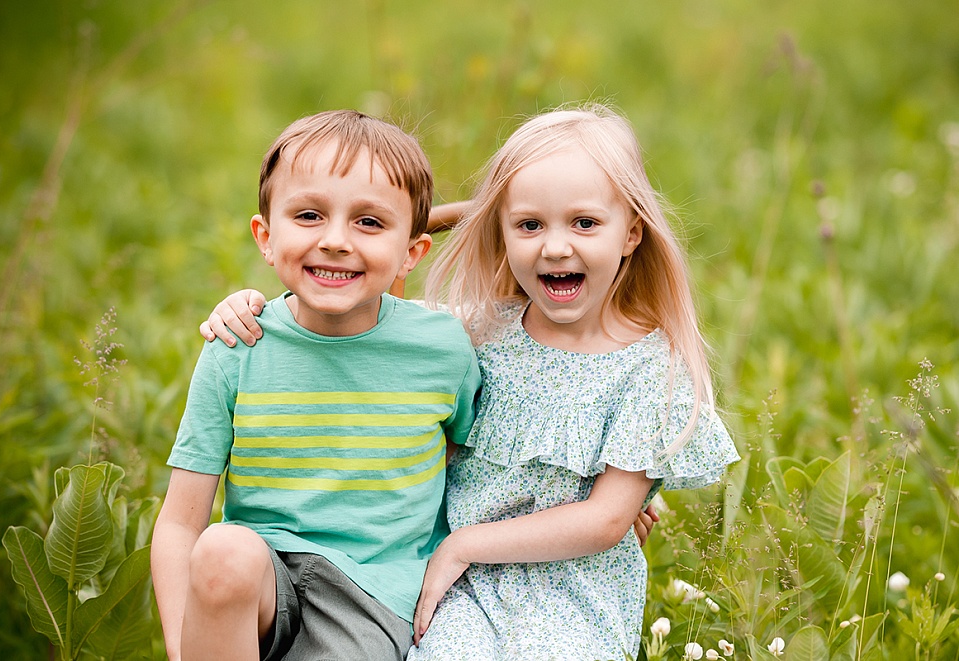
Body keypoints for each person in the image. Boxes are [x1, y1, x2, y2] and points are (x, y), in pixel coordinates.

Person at [203, 103, 736, 660]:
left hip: (571, 588)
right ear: (502, 233)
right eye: (530, 224)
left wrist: (465, 546)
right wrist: (254, 305)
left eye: (584, 222)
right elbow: (369, 297)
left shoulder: (652, 367)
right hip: (457, 588)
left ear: (631, 232)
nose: (555, 247)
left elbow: (604, 520)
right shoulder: (482, 328)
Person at [150, 109, 484, 661]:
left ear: (413, 252)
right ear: (266, 236)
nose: (334, 241)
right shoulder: (238, 344)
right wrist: (185, 647)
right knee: (222, 549)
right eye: (308, 215)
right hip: (260, 581)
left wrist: (600, 498)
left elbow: (483, 458)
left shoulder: (443, 348)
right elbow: (182, 523)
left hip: (370, 594)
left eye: (369, 223)